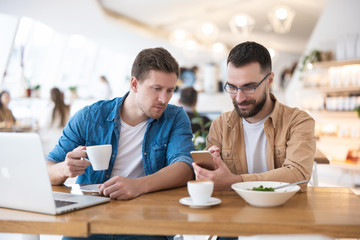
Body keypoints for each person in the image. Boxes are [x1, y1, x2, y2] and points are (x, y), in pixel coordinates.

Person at [46, 47, 194, 240]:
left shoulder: (175, 117)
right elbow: (47, 170)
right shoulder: (90, 117)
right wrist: (64, 168)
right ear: (134, 84)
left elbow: (184, 167)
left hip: (146, 222)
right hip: (90, 220)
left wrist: (138, 186)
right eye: (156, 89)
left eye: (170, 90)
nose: (164, 99)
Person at [192, 41, 316, 194]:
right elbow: (212, 178)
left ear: (269, 80)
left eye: (249, 87)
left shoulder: (298, 121)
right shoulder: (221, 125)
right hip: (234, 213)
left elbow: (299, 175)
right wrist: (207, 170)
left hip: (284, 212)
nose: (239, 98)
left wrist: (236, 181)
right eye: (232, 87)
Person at [39, 87, 70, 155]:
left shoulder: (51, 107)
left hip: (51, 139)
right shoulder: (65, 108)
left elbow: (46, 125)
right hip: (62, 137)